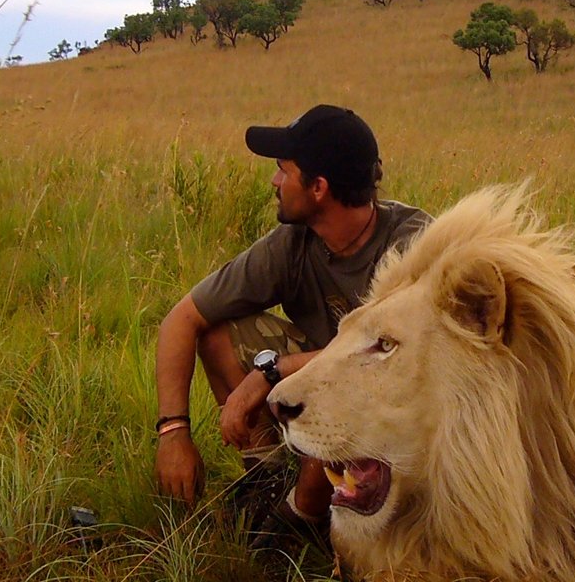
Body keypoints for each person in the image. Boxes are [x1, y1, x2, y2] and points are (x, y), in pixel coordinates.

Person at [152, 104, 431, 533]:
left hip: (389, 409)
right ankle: (265, 481)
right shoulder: (294, 242)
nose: (274, 181)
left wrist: (271, 371)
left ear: (318, 187)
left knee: (340, 393)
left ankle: (301, 517)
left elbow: (392, 363)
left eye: (284, 170)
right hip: (323, 386)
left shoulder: (413, 248)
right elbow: (182, 318)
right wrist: (173, 432)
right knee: (216, 332)